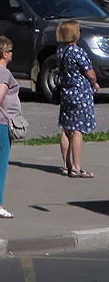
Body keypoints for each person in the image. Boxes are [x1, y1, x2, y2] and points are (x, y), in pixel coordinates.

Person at [56, 20, 99, 178]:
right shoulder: (78, 51)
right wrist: (94, 84)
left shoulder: (60, 50)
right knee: (78, 129)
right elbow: (90, 73)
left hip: (66, 92)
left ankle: (66, 165)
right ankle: (77, 166)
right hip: (80, 92)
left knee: (66, 128)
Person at [0, 36, 20, 218]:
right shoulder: (4, 74)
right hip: (0, 123)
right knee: (1, 164)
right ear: (4, 54)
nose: (12, 54)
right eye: (10, 51)